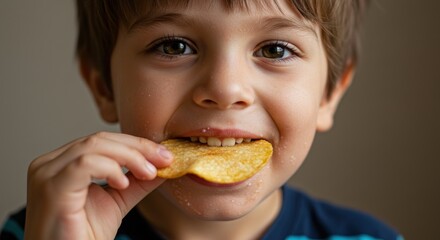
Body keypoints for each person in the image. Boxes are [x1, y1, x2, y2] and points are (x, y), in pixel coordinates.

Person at [1, 0, 403, 239]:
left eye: (276, 50)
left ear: (329, 94)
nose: (226, 88)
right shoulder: (42, 230)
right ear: (103, 86)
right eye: (174, 46)